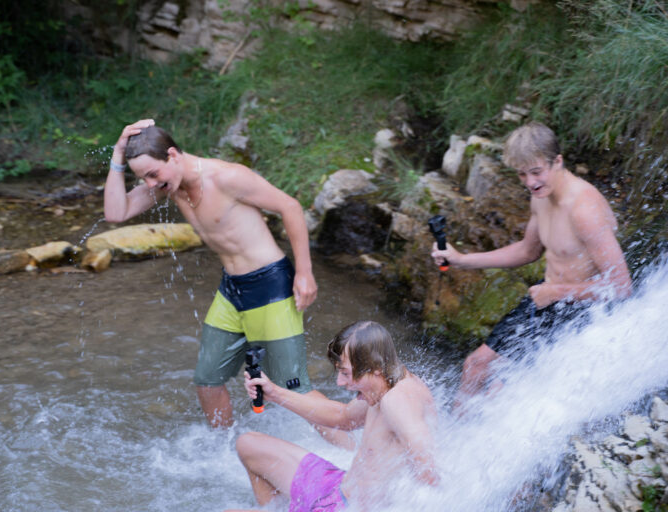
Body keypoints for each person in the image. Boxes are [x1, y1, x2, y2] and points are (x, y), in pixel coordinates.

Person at [104, 119, 318, 428]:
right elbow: (115, 213)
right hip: (231, 289)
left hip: (270, 285)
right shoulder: (169, 186)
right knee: (208, 380)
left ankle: (352, 453)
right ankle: (228, 453)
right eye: (143, 178)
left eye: (153, 174)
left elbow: (290, 207)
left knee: (294, 389)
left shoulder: (227, 177)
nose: (150, 184)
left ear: (174, 156)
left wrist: (305, 273)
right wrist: (118, 153)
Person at [431, 121, 632, 410]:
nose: (529, 182)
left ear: (558, 161)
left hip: (581, 313)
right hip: (545, 301)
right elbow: (527, 251)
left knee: (500, 391)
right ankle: (450, 441)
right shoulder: (541, 197)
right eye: (522, 174)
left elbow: (621, 287)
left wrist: (558, 292)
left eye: (536, 172)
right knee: (475, 365)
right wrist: (461, 259)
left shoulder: (585, 210)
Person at [228, 321, 438, 512]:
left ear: (374, 368)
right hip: (338, 488)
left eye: (346, 373)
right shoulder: (386, 383)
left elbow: (428, 471)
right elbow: (343, 417)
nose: (339, 382)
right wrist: (274, 393)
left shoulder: (398, 400)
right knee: (248, 444)